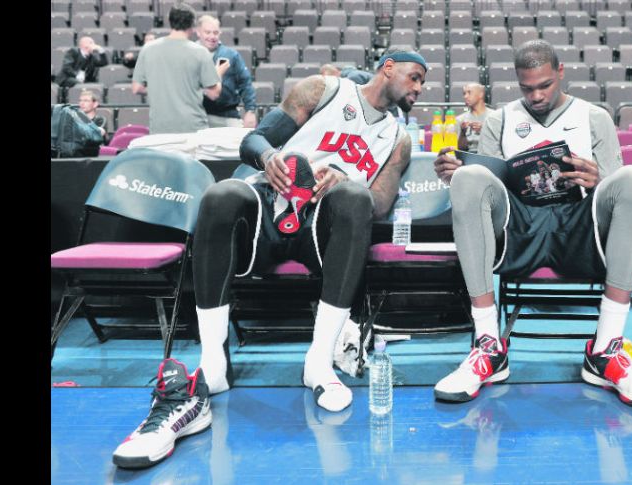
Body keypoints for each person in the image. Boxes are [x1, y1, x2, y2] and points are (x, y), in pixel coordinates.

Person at [112, 47, 427, 470]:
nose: (419, 89)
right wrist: (267, 159)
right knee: (221, 194)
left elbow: (381, 204)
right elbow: (253, 140)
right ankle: (213, 362)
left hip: (325, 223)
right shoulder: (324, 90)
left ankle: (318, 363)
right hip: (272, 199)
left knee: (354, 195)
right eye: (414, 77)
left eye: (423, 82)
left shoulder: (398, 138)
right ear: (387, 67)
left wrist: (345, 179)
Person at [432, 40, 632, 409]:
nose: (537, 95)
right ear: (517, 82)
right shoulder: (501, 118)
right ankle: (488, 347)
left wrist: (599, 178)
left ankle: (606, 351)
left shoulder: (594, 117)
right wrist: (460, 176)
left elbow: (617, 190)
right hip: (520, 227)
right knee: (470, 176)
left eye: (544, 85)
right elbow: (489, 183)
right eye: (527, 88)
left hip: (580, 226)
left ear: (560, 73)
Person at [131, 3, 222, 134]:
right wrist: (218, 73)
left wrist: (161, 90)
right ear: (192, 25)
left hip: (160, 128)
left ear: (170, 22)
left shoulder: (148, 49)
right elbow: (214, 94)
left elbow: (137, 88)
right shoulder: (201, 52)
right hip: (192, 128)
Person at [196, 15, 257, 128]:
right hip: (198, 116)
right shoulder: (190, 55)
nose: (212, 36)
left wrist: (250, 111)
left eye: (215, 33)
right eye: (207, 32)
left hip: (228, 115)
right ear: (198, 32)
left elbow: (245, 83)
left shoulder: (231, 55)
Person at [456, 82, 488, 153]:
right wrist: (463, 133)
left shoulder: (494, 117)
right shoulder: (460, 119)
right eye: (464, 93)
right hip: (469, 156)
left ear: (481, 94)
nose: (465, 96)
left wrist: (485, 130)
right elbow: (461, 149)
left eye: (469, 93)